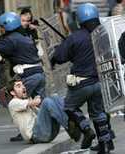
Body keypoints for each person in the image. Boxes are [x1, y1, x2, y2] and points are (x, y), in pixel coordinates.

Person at [51, 3, 115, 154]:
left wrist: (63, 48)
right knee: (98, 113)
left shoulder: (74, 37)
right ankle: (105, 145)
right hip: (100, 81)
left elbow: (59, 57)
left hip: (81, 82)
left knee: (69, 107)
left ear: (79, 18)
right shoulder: (103, 34)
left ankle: (86, 129)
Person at [0, 12, 46, 142]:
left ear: (7, 26)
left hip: (29, 76)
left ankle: (25, 130)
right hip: (39, 73)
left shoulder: (10, 40)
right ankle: (44, 128)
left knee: (17, 102)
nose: (0, 29)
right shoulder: (25, 37)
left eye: (1, 27)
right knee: (39, 105)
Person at [6, 77, 81, 143]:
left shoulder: (26, 101)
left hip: (47, 132)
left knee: (55, 97)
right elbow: (36, 102)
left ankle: (71, 123)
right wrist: (37, 99)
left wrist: (38, 106)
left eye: (22, 85)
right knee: (46, 101)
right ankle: (69, 125)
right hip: (35, 135)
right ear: (12, 92)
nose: (23, 87)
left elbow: (41, 114)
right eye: (18, 86)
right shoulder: (13, 103)